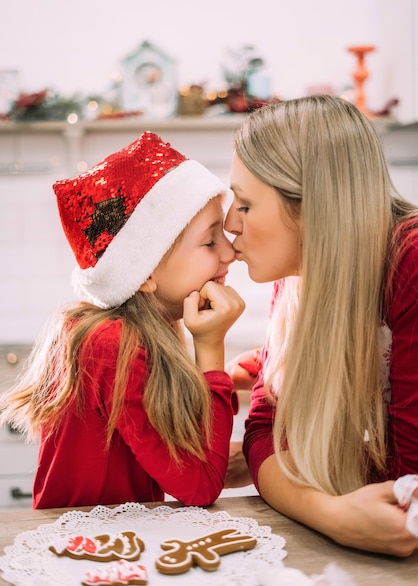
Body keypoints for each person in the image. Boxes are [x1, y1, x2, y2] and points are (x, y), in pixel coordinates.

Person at [0, 131, 245, 509]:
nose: (230, 252)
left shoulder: (150, 326)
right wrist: (211, 348)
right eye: (210, 241)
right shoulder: (111, 345)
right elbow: (200, 486)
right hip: (83, 553)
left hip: (125, 543)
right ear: (143, 273)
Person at [224, 94, 418, 557]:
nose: (230, 223)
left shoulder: (410, 262)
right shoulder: (301, 273)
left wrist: (292, 481)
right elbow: (265, 433)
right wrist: (331, 514)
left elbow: (406, 493)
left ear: (312, 208)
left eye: (246, 205)